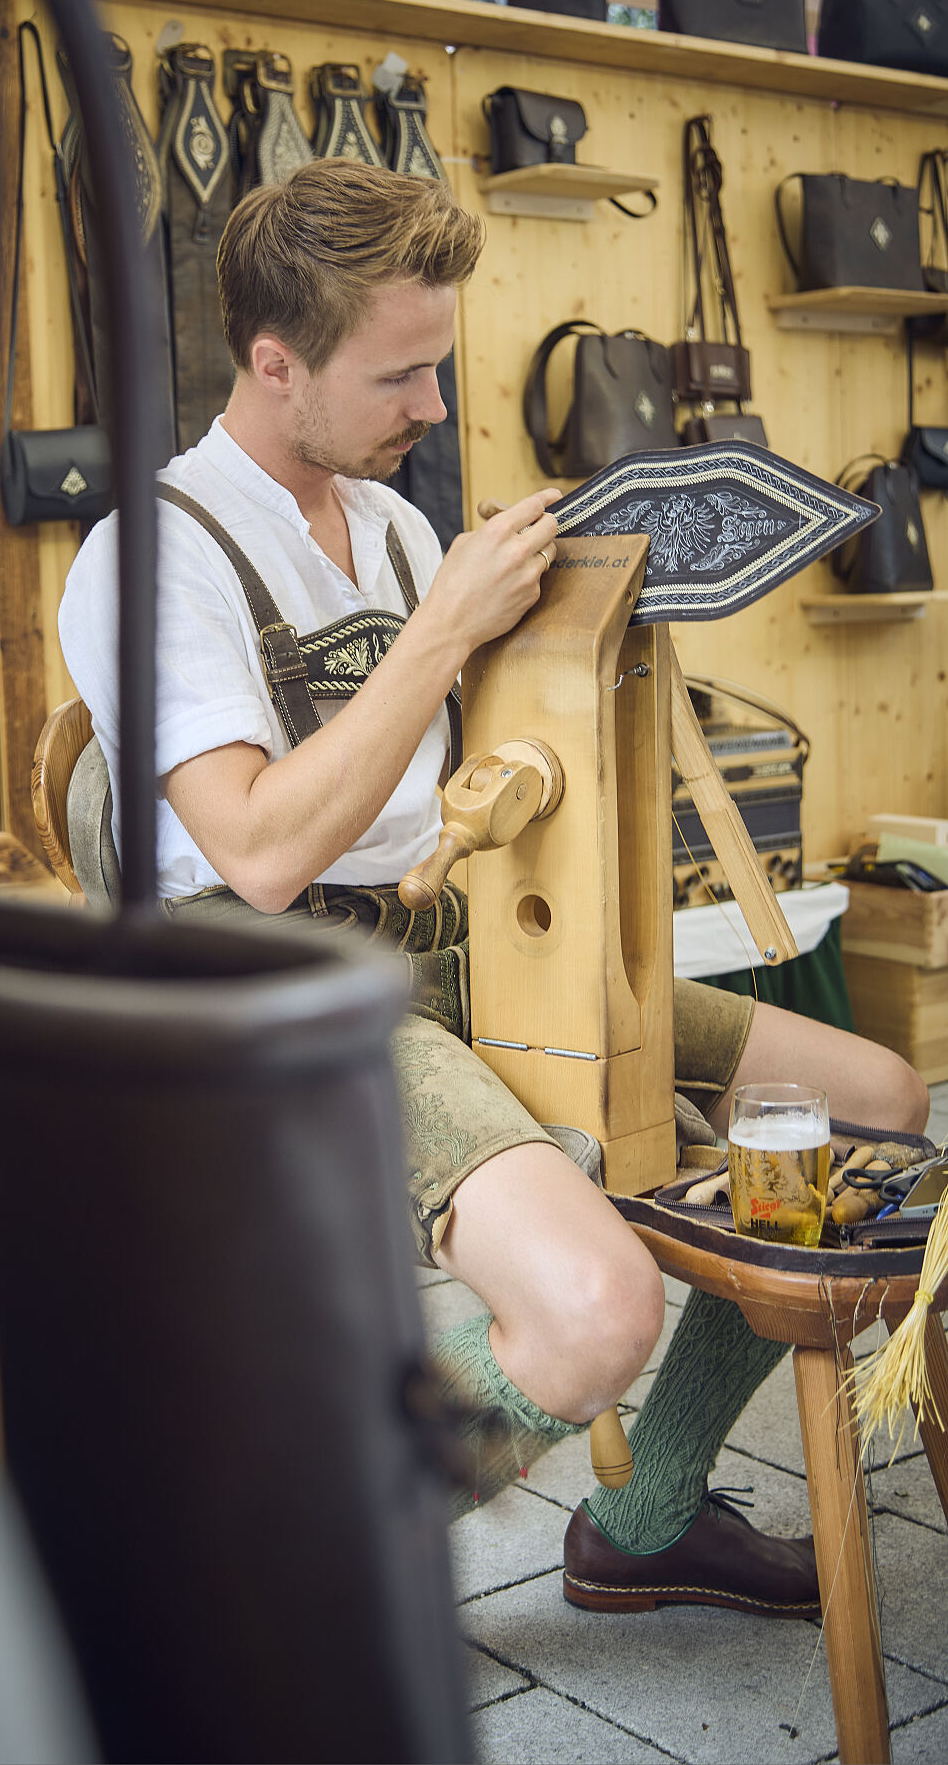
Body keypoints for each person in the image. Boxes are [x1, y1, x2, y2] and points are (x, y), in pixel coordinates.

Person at [59, 160, 929, 1616]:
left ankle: (646, 1517)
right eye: (398, 376)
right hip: (290, 988)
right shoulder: (149, 556)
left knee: (868, 1101)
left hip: (465, 945)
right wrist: (440, 629)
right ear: (273, 364)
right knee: (592, 1311)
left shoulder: (395, 526)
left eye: (436, 367)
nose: (429, 408)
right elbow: (263, 853)